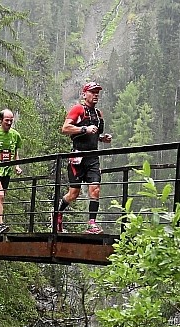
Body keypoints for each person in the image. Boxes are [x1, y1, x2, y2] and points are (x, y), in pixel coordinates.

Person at [55, 81, 112, 234]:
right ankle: (58, 214)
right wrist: (84, 128)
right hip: (77, 157)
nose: (96, 95)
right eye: (93, 92)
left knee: (95, 190)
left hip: (93, 157)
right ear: (84, 93)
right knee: (74, 194)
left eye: (97, 92)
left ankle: (92, 224)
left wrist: (102, 138)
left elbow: (95, 134)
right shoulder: (78, 109)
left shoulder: (98, 114)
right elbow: (65, 128)